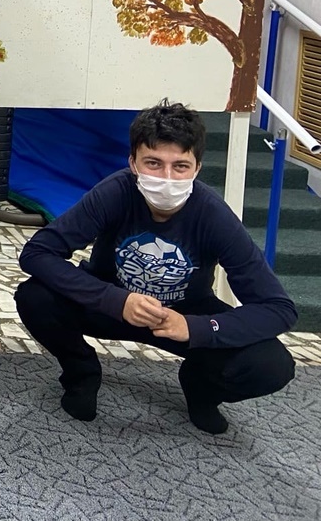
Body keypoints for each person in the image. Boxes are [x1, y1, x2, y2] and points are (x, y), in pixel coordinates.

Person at [15, 101, 296, 433]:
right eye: (153, 163)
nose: (167, 178)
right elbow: (37, 253)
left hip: (183, 314)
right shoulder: (115, 192)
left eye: (180, 166)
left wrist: (197, 328)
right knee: (34, 297)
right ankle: (81, 371)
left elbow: (278, 308)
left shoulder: (214, 216)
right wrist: (115, 300)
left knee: (272, 365)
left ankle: (201, 387)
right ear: (133, 163)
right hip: (110, 303)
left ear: (197, 168)